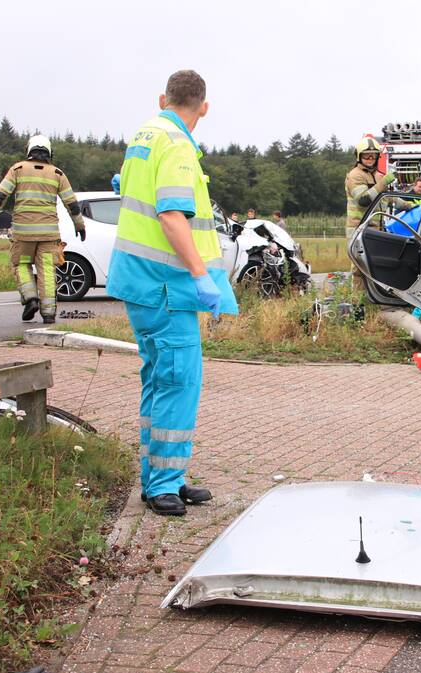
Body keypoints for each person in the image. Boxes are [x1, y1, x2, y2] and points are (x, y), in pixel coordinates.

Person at [106, 70, 238, 515]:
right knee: (179, 381)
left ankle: (162, 476)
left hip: (140, 281)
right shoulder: (178, 145)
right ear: (204, 106)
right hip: (165, 286)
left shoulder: (146, 134)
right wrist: (202, 276)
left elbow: (129, 190)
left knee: (159, 379)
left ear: (164, 97)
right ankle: (163, 481)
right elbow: (172, 216)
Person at [0, 135, 85, 324]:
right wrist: (79, 225)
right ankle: (48, 314)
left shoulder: (18, 169)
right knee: (46, 270)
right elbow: (72, 204)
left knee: (21, 264)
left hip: (23, 233)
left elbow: (0, 196)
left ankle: (30, 298)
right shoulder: (57, 174)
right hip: (48, 234)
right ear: (49, 152)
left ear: (29, 150)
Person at [345, 137, 397, 238]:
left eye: (373, 155)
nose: (370, 159)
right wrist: (384, 182)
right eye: (366, 155)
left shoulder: (377, 175)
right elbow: (363, 201)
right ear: (359, 156)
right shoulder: (355, 175)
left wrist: (408, 205)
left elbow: (386, 198)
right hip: (359, 229)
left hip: (375, 229)